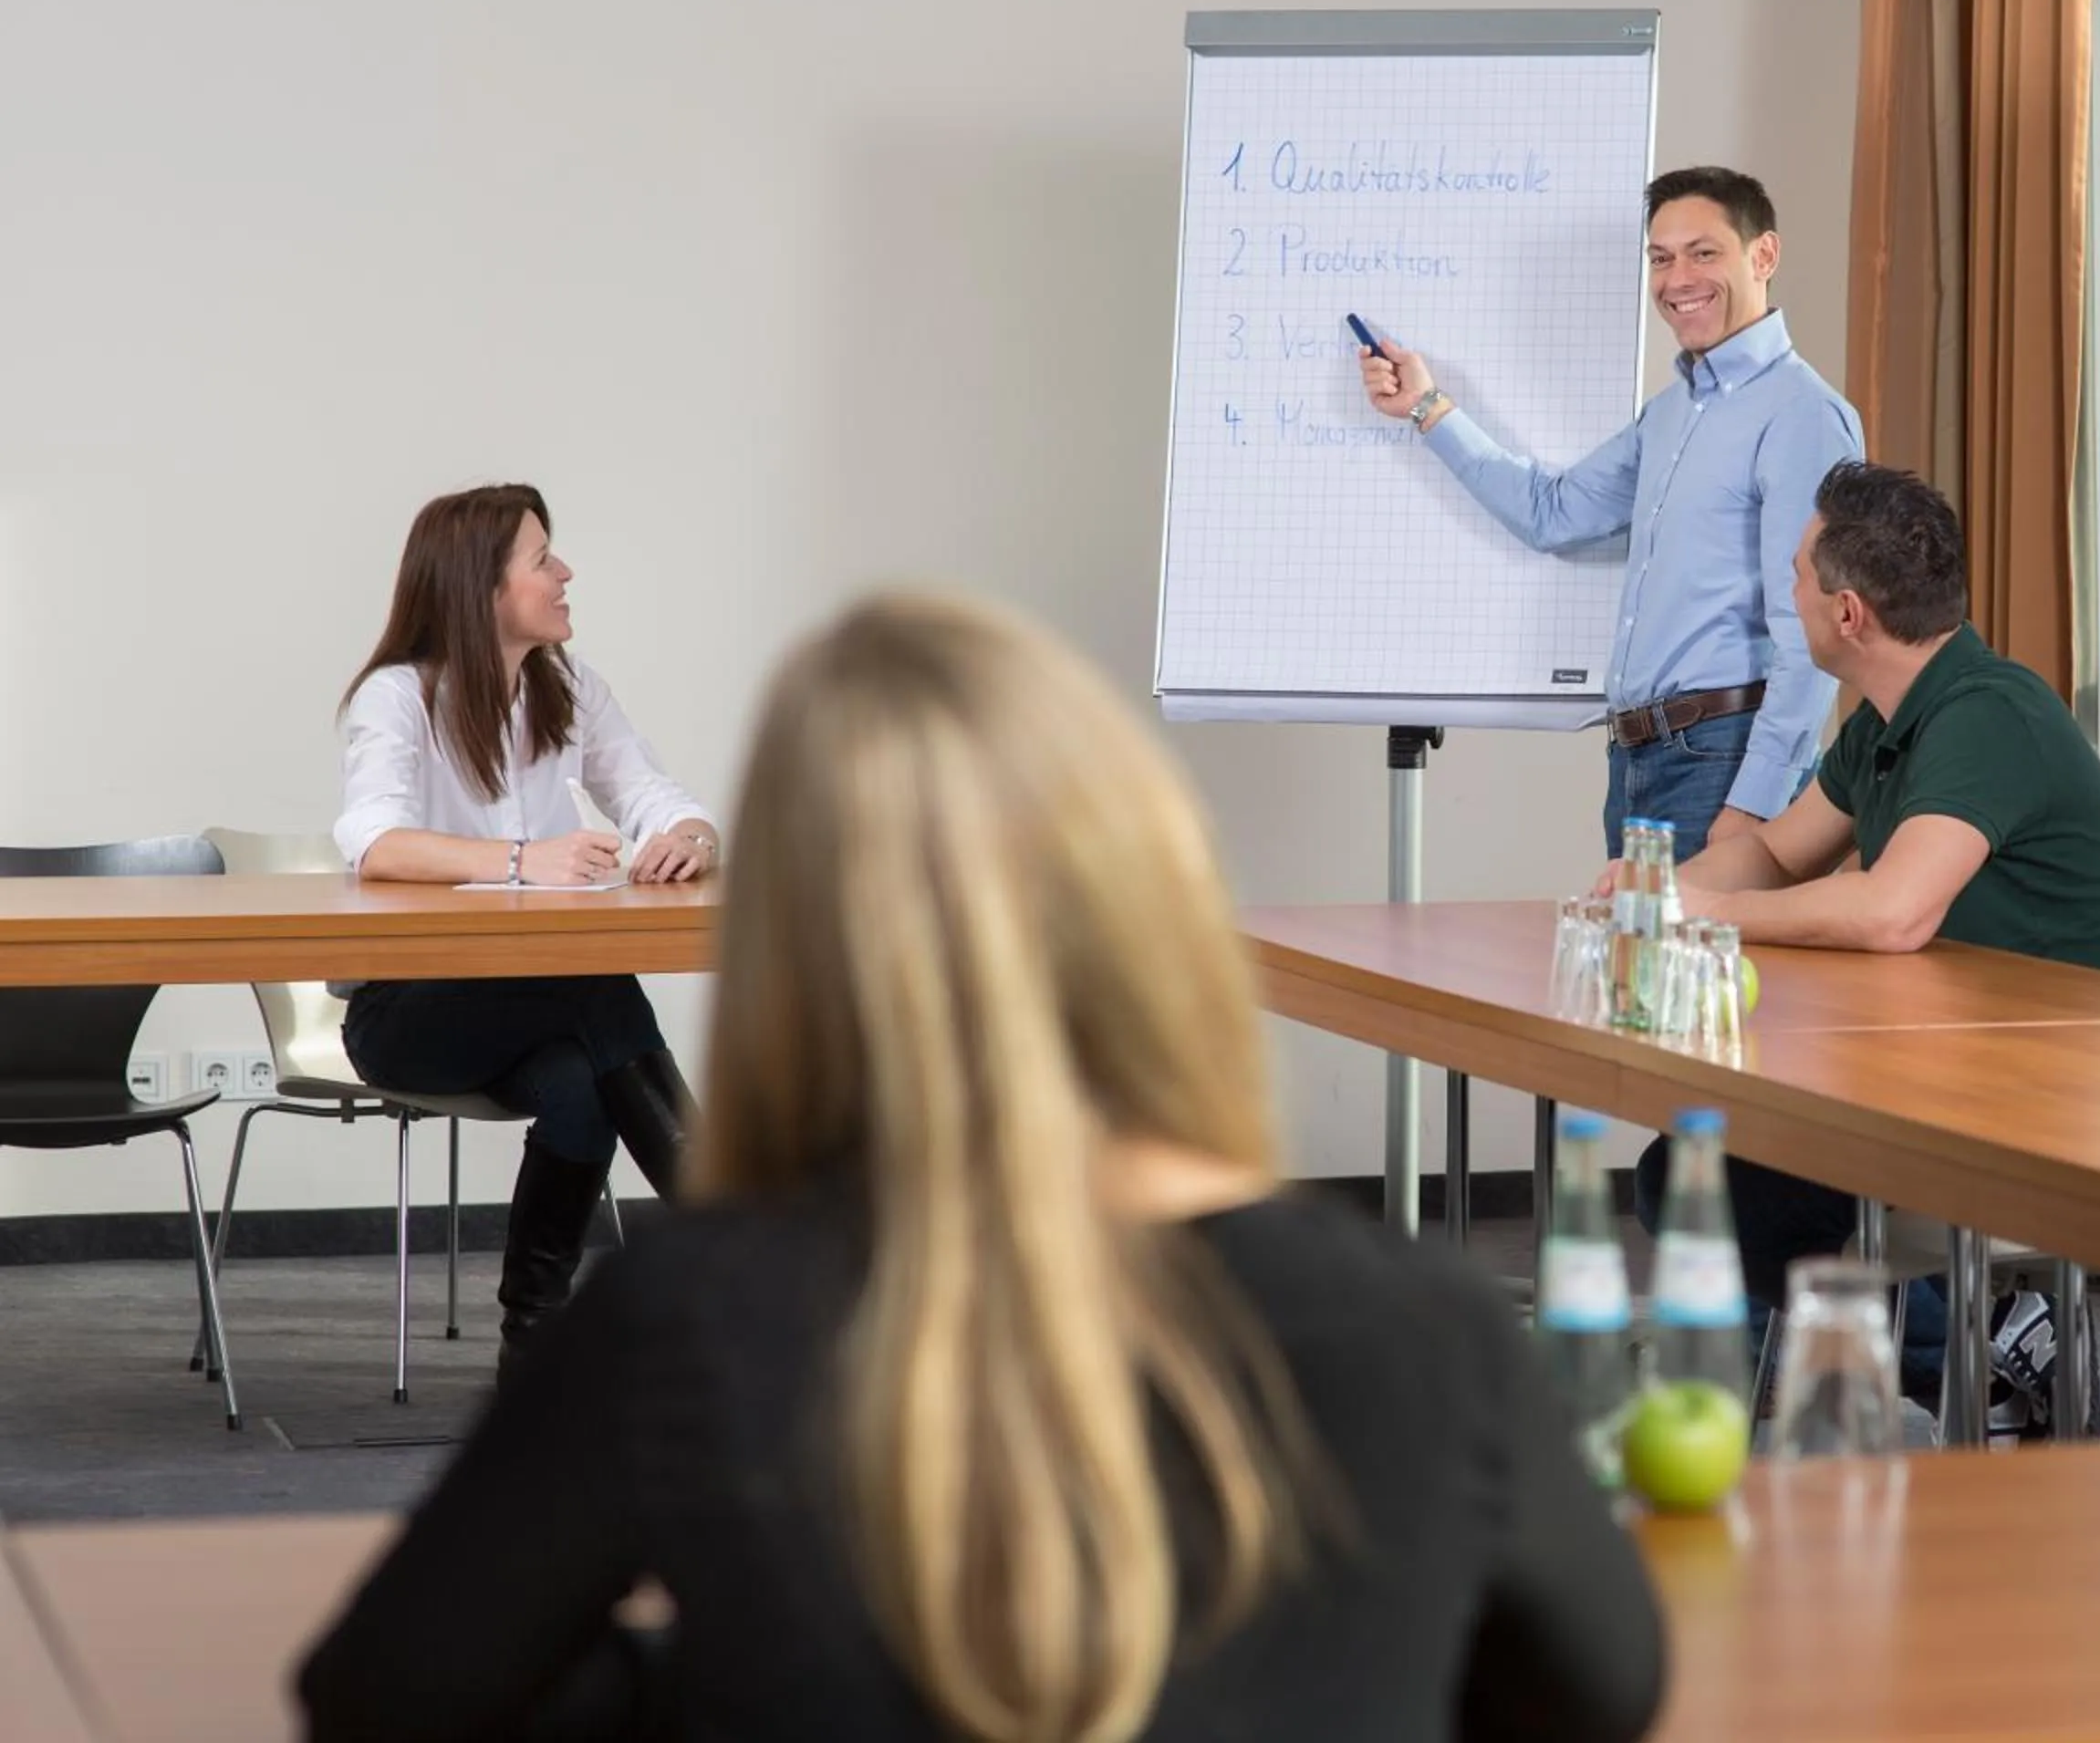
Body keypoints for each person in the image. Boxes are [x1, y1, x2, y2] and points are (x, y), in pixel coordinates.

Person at [297, 593, 1665, 1743]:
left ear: (797, 953)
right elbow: (1603, 1693)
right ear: (1153, 908)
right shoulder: (1427, 1324)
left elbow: (387, 1695)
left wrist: (715, 1690)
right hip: (427, 1005)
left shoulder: (685, 1328)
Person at [1648, 461, 2100, 1437]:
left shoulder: (1987, 713)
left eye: (1797, 576)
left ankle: (1977, 1345)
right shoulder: (1893, 720)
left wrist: (1703, 917)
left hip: (2062, 1087)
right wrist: (1655, 892)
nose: (1787, 593)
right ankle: (1973, 1347)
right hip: (1954, 1061)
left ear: (1847, 613)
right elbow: (1775, 853)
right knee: (1694, 1174)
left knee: (1732, 1187)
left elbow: (1893, 914)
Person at [1358, 165, 1862, 863]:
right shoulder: (1672, 412)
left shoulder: (1804, 417)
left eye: (1703, 253)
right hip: (1637, 759)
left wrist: (1757, 800)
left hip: (1723, 761)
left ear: (1764, 255)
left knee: (1704, 943)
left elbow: (1814, 633)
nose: (1677, 279)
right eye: (1661, 258)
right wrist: (1425, 407)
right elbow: (1553, 512)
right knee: (1633, 943)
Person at [334, 483, 716, 1383]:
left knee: (582, 1083)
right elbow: (374, 842)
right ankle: (735, 1240)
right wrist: (522, 860)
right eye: (543, 559)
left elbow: (658, 796)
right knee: (597, 985)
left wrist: (690, 839)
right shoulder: (397, 697)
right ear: (483, 587)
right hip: (408, 1014)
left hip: (539, 1007)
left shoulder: (566, 687)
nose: (565, 572)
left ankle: (533, 1356)